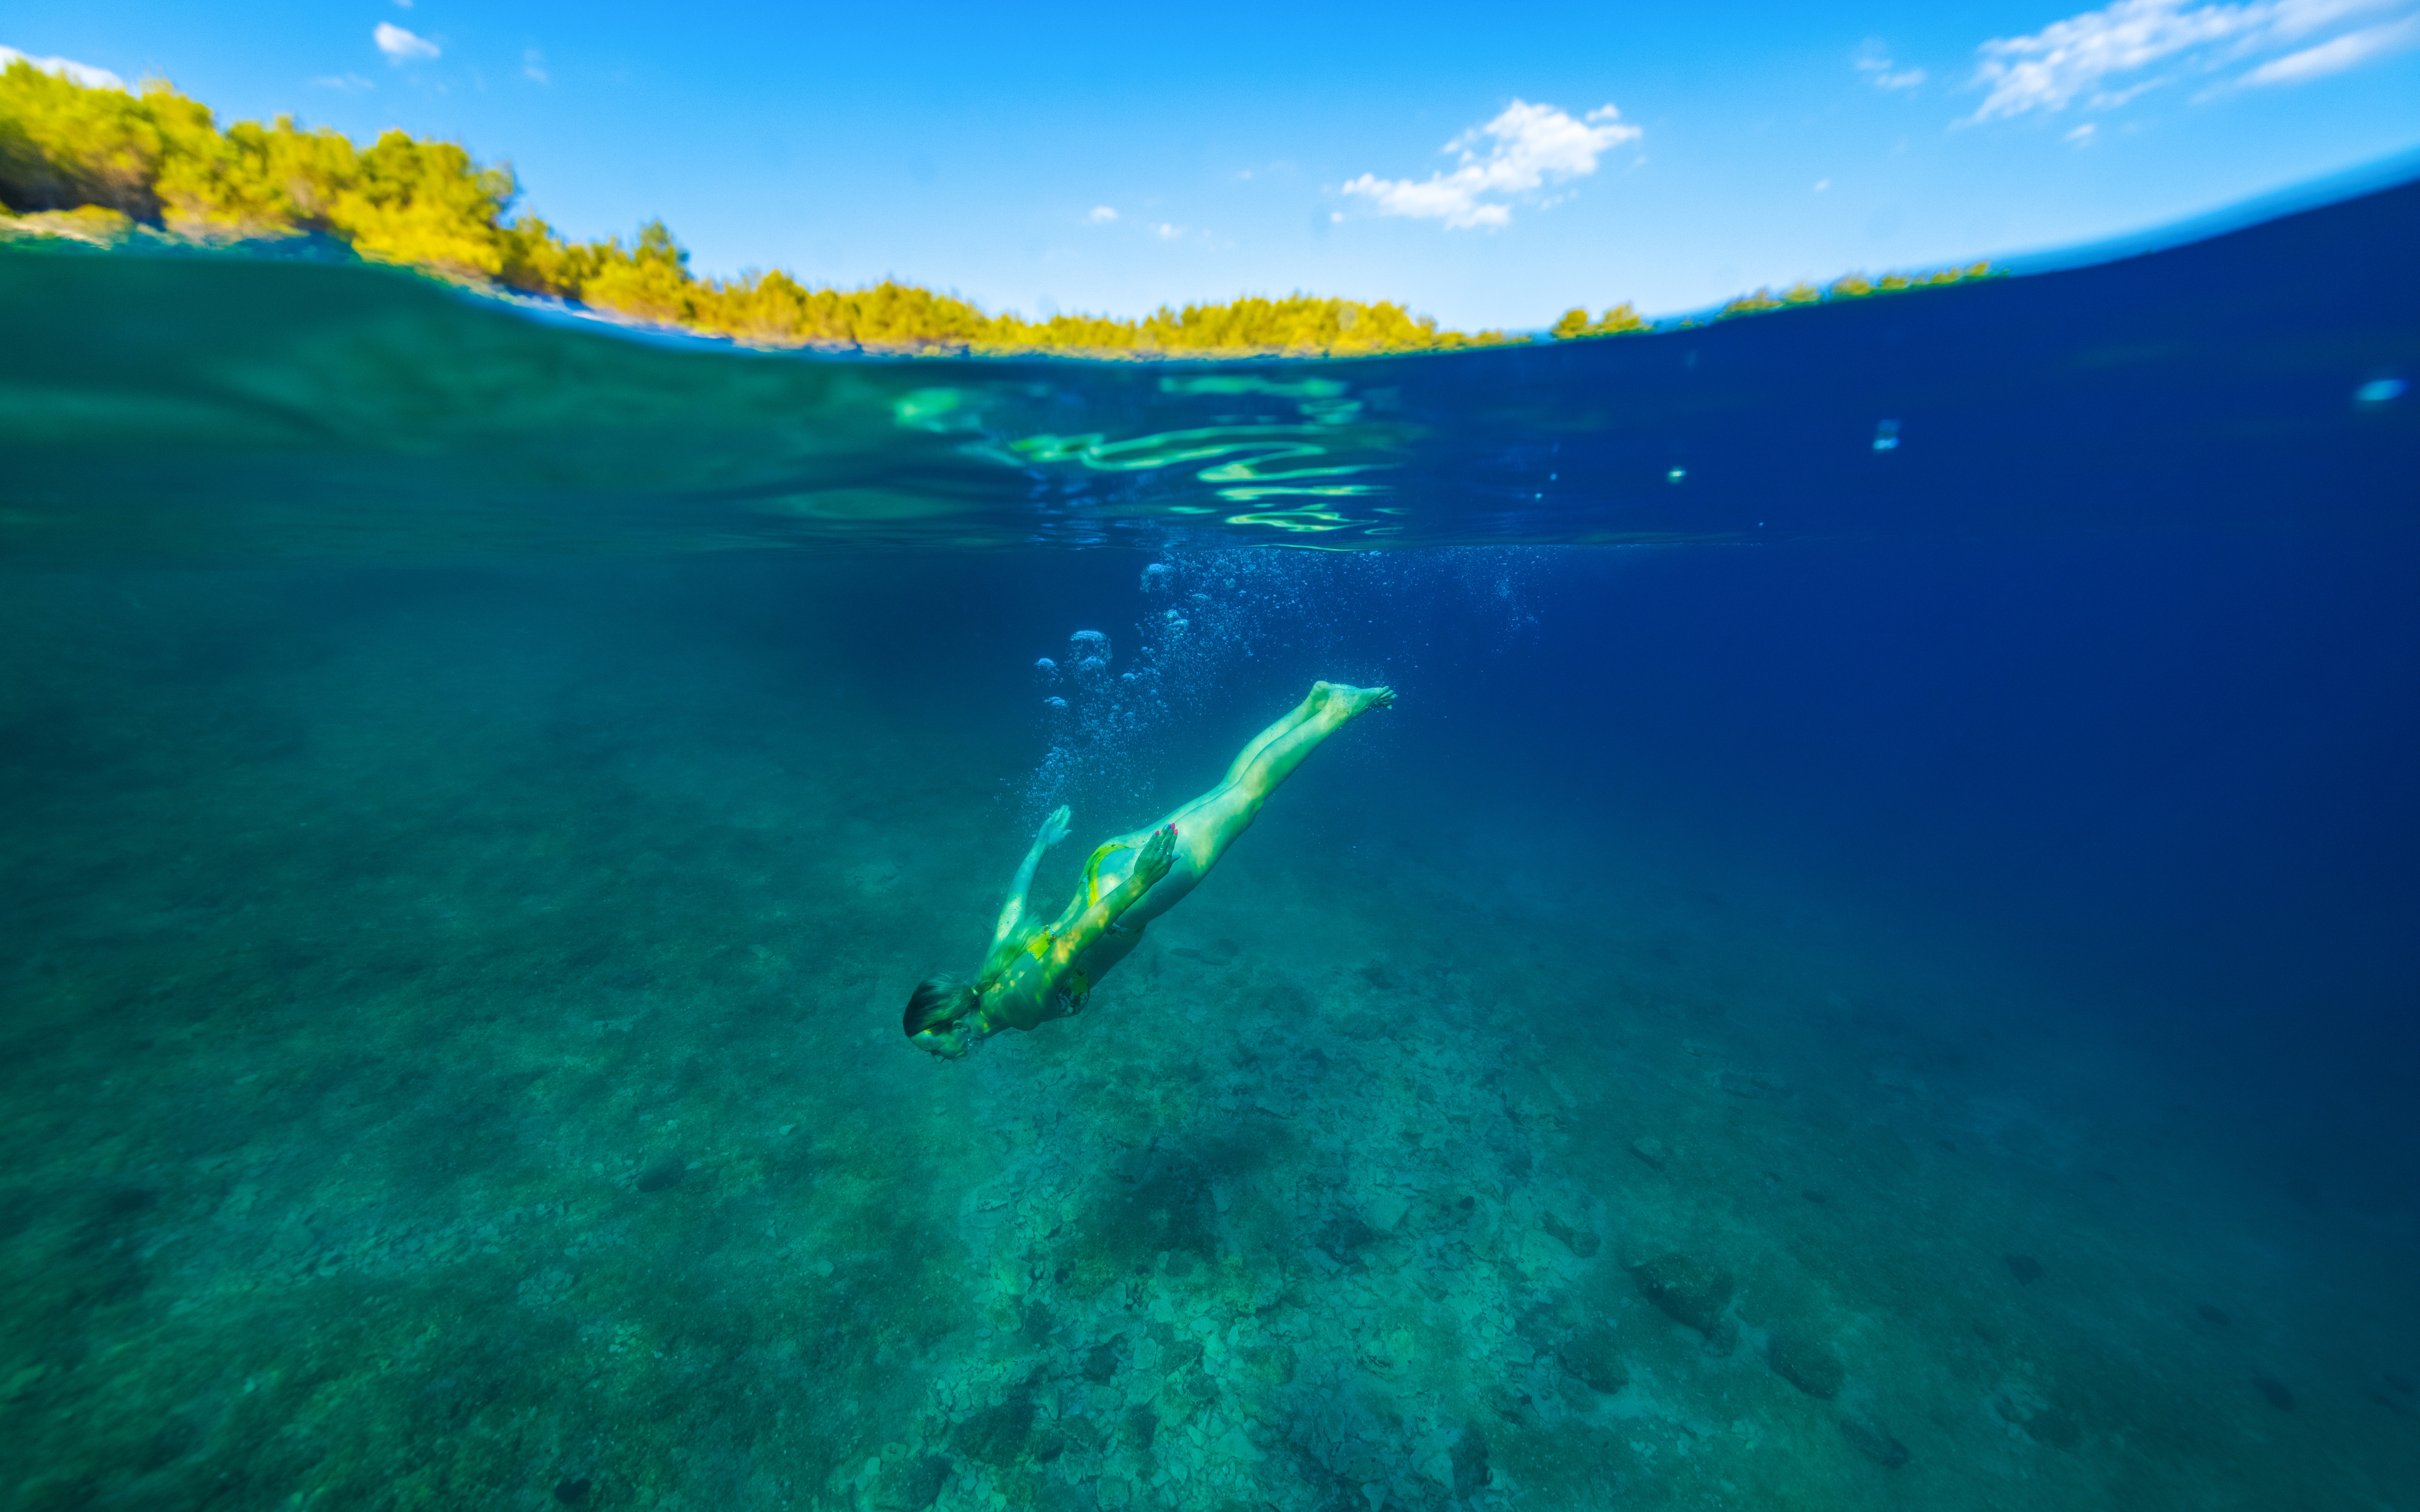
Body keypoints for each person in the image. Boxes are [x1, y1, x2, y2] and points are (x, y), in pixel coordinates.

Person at [904, 681, 1396, 1058]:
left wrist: (1142, 881)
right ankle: (1314, 704)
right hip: (1102, 866)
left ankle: (1340, 710)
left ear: (955, 1022)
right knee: (1227, 790)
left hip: (1125, 900)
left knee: (1248, 799)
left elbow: (1077, 940)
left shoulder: (1017, 1008)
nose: (944, 1059)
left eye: (937, 1050)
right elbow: (1012, 910)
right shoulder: (990, 975)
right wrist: (1039, 847)